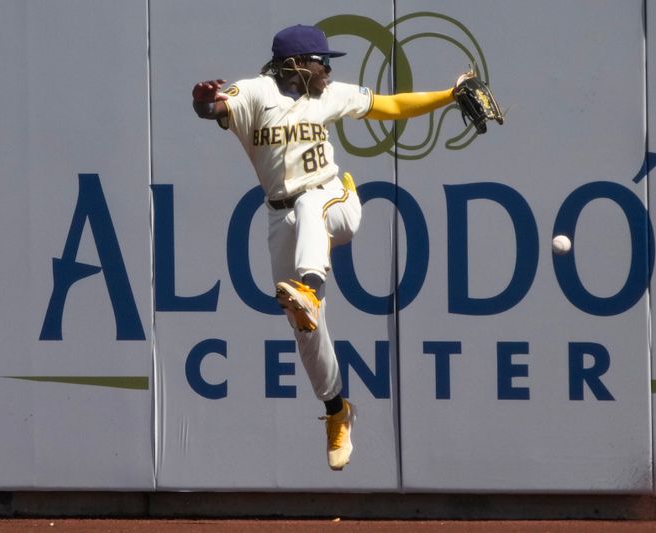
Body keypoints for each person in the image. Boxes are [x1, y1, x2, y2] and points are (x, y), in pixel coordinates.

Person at [192, 24, 457, 471]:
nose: (328, 69)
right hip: (282, 217)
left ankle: (311, 286)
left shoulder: (327, 95)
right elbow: (214, 107)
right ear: (296, 65)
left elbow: (390, 106)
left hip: (337, 202)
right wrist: (203, 99)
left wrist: (448, 96)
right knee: (305, 329)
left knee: (313, 202)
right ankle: (337, 411)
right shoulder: (257, 93)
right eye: (322, 61)